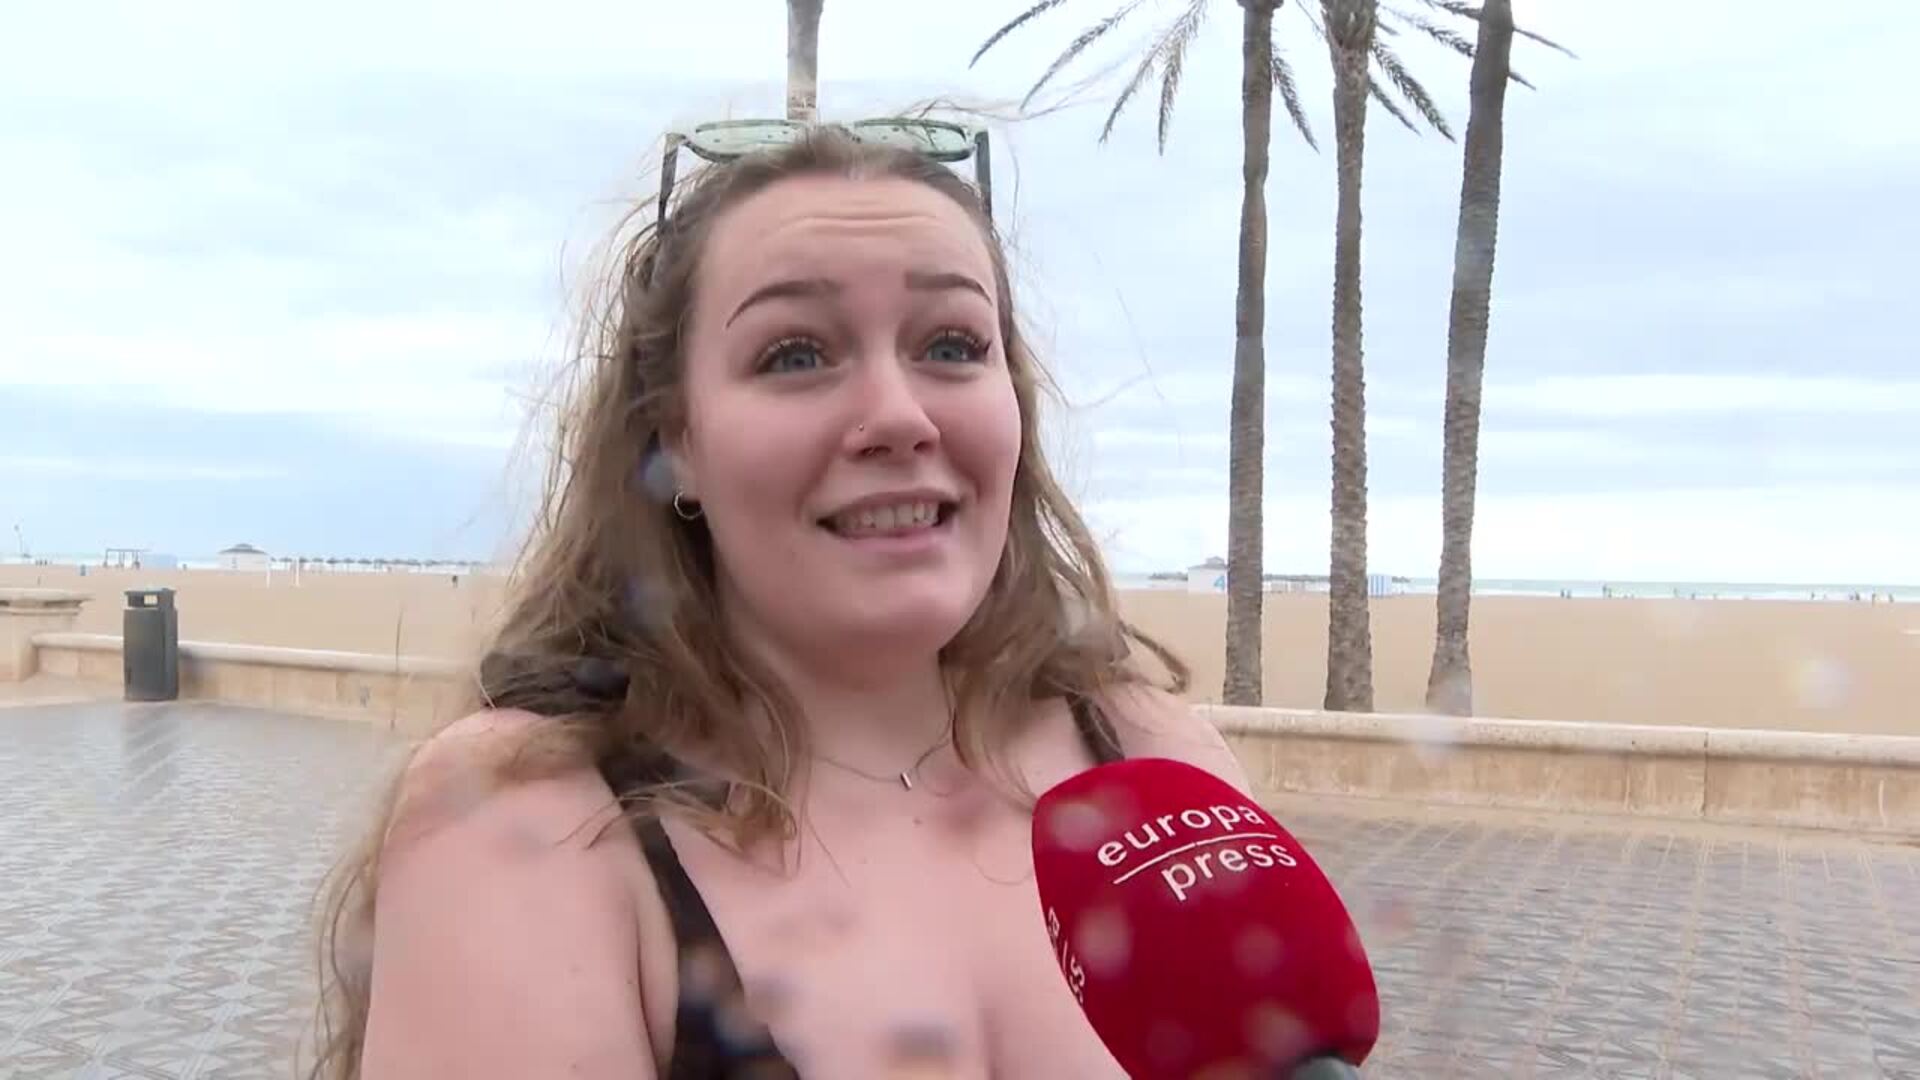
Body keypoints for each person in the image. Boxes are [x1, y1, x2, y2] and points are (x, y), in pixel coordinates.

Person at [309, 122, 1254, 1080]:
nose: (898, 414)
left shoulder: (1158, 764)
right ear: (674, 437)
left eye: (954, 344)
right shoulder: (529, 822)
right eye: (796, 355)